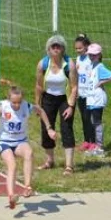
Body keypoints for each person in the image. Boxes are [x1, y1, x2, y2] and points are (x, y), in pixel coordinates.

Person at [0, 85, 55, 209]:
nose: (16, 105)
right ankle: (11, 196)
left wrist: (49, 128)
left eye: (19, 102)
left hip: (20, 141)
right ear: (9, 100)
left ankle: (27, 187)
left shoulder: (26, 106)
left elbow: (40, 111)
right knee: (12, 165)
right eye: (14, 102)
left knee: (29, 153)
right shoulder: (3, 107)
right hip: (5, 142)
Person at [35, 34, 78, 174]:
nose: (55, 49)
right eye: (53, 46)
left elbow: (74, 87)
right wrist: (37, 105)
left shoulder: (69, 64)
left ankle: (69, 165)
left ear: (63, 49)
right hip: (48, 98)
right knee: (46, 127)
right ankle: (49, 160)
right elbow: (39, 86)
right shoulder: (43, 64)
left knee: (66, 127)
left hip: (65, 98)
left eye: (58, 46)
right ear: (48, 49)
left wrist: (71, 106)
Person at [83, 43, 111, 158]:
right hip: (91, 98)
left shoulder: (100, 67)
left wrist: (102, 82)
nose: (91, 57)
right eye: (90, 55)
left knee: (97, 122)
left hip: (97, 99)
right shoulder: (91, 66)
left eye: (94, 55)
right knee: (92, 121)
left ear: (98, 55)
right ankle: (95, 145)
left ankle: (100, 146)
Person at [73, 34, 95, 151]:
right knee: (83, 118)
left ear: (86, 47)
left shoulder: (90, 59)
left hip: (89, 94)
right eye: (76, 48)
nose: (78, 50)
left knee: (89, 118)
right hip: (80, 93)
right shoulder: (78, 59)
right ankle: (86, 141)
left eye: (80, 48)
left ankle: (93, 141)